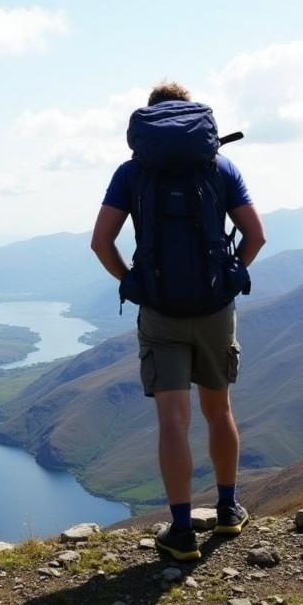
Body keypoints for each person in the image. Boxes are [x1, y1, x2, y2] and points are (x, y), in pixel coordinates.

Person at [90, 81, 267, 560]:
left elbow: (100, 242)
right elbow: (256, 235)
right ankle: (229, 511)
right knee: (219, 410)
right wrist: (233, 275)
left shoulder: (132, 172)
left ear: (146, 123)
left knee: (173, 419)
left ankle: (182, 530)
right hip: (214, 309)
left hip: (160, 312)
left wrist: (132, 280)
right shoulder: (220, 166)